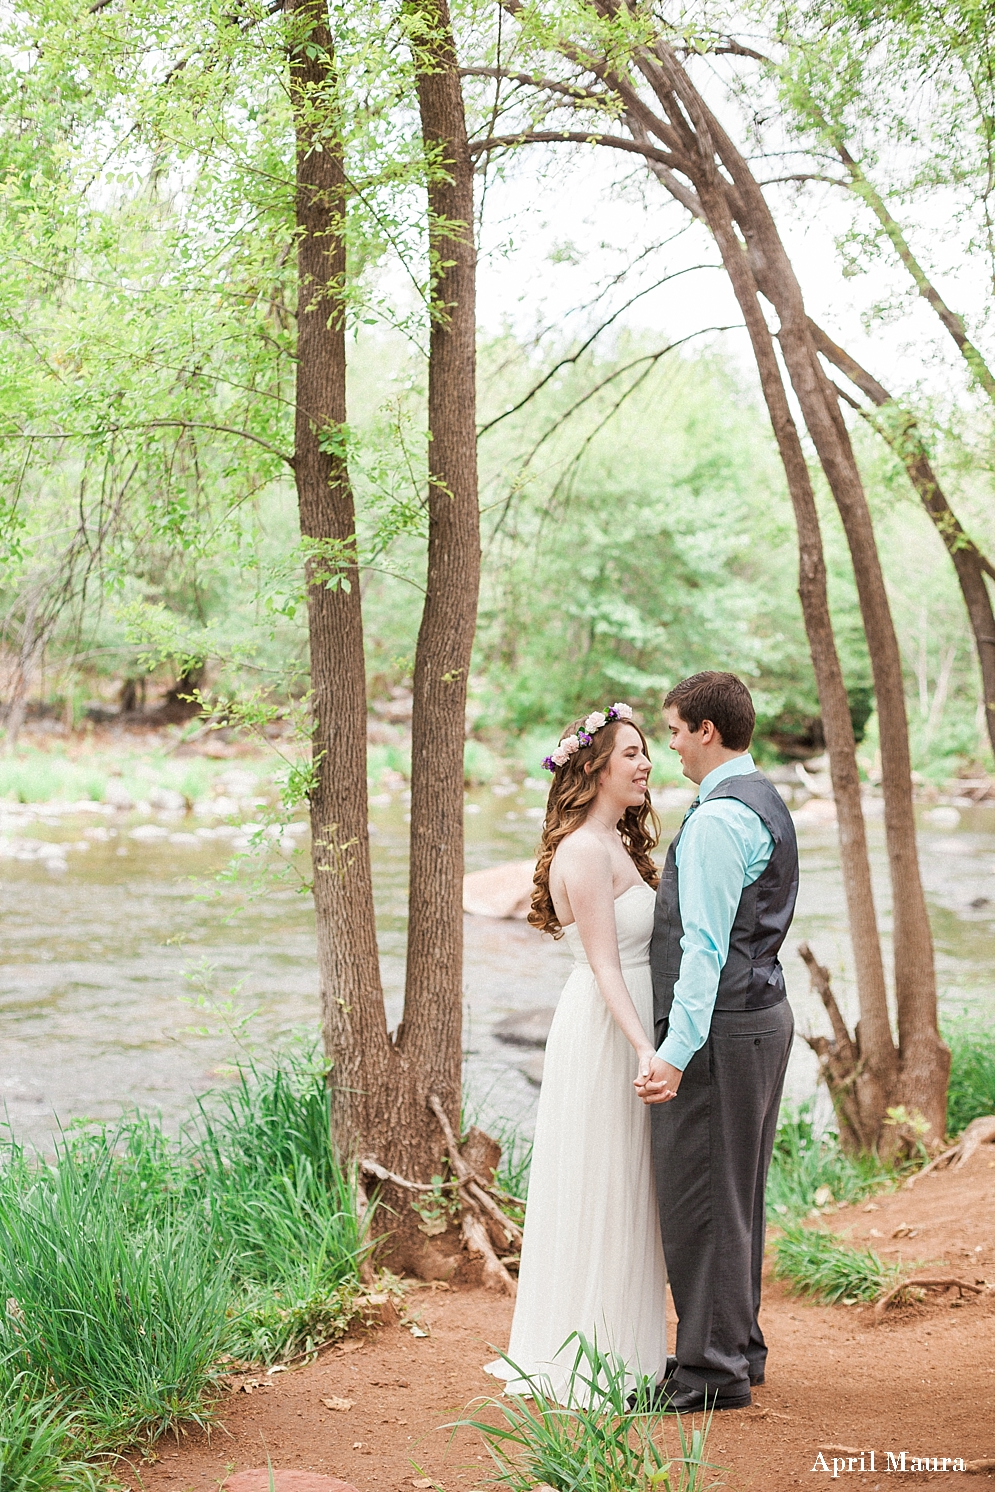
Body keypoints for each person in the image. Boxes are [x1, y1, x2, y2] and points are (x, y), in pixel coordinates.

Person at [485, 704, 671, 1404]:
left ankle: (625, 1351)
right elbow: (602, 966)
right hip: (604, 1032)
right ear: (591, 767)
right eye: (630, 753)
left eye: (646, 750)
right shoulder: (585, 852)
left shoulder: (613, 843)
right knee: (603, 1186)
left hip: (617, 1025)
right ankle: (595, 1361)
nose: (644, 763)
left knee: (627, 1187)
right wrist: (646, 1047)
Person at [636, 671, 799, 1413]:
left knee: (702, 1197)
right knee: (735, 1197)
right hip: (762, 1017)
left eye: (671, 729)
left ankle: (708, 1373)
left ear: (705, 730)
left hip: (722, 1032)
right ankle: (737, 1349)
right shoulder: (761, 798)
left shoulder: (714, 821)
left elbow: (702, 949)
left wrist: (674, 1051)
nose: (666, 745)